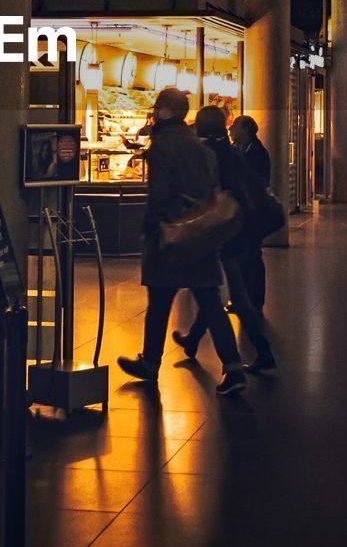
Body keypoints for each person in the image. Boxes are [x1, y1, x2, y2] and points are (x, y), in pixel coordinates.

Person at [118, 88, 248, 396]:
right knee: (210, 304)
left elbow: (159, 194)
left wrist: (151, 225)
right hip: (200, 234)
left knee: (159, 303)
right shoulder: (198, 145)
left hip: (172, 235)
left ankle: (150, 362)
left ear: (164, 112)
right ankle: (233, 367)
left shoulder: (163, 145)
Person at [174, 106, 276, 373]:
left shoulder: (208, 154)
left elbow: (202, 191)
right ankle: (195, 340)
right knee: (222, 294)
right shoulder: (231, 152)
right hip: (235, 231)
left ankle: (236, 362)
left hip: (219, 234)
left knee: (218, 295)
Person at [230, 114, 271, 310]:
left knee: (251, 255)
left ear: (245, 130)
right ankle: (245, 299)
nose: (231, 129)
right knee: (244, 257)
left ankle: (253, 300)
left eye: (235, 126)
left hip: (252, 212)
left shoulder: (256, 153)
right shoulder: (241, 150)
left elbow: (255, 182)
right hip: (244, 211)